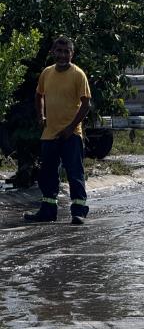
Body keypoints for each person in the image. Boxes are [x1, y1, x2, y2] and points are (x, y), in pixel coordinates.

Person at [24, 36, 92, 224]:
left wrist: (71, 128)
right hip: (50, 133)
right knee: (48, 174)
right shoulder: (47, 73)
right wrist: (41, 116)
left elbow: (86, 105)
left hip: (71, 134)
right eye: (59, 51)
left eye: (66, 51)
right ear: (53, 52)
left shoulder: (78, 74)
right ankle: (48, 211)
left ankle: (79, 211)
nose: (62, 55)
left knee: (74, 173)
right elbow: (39, 95)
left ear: (72, 54)